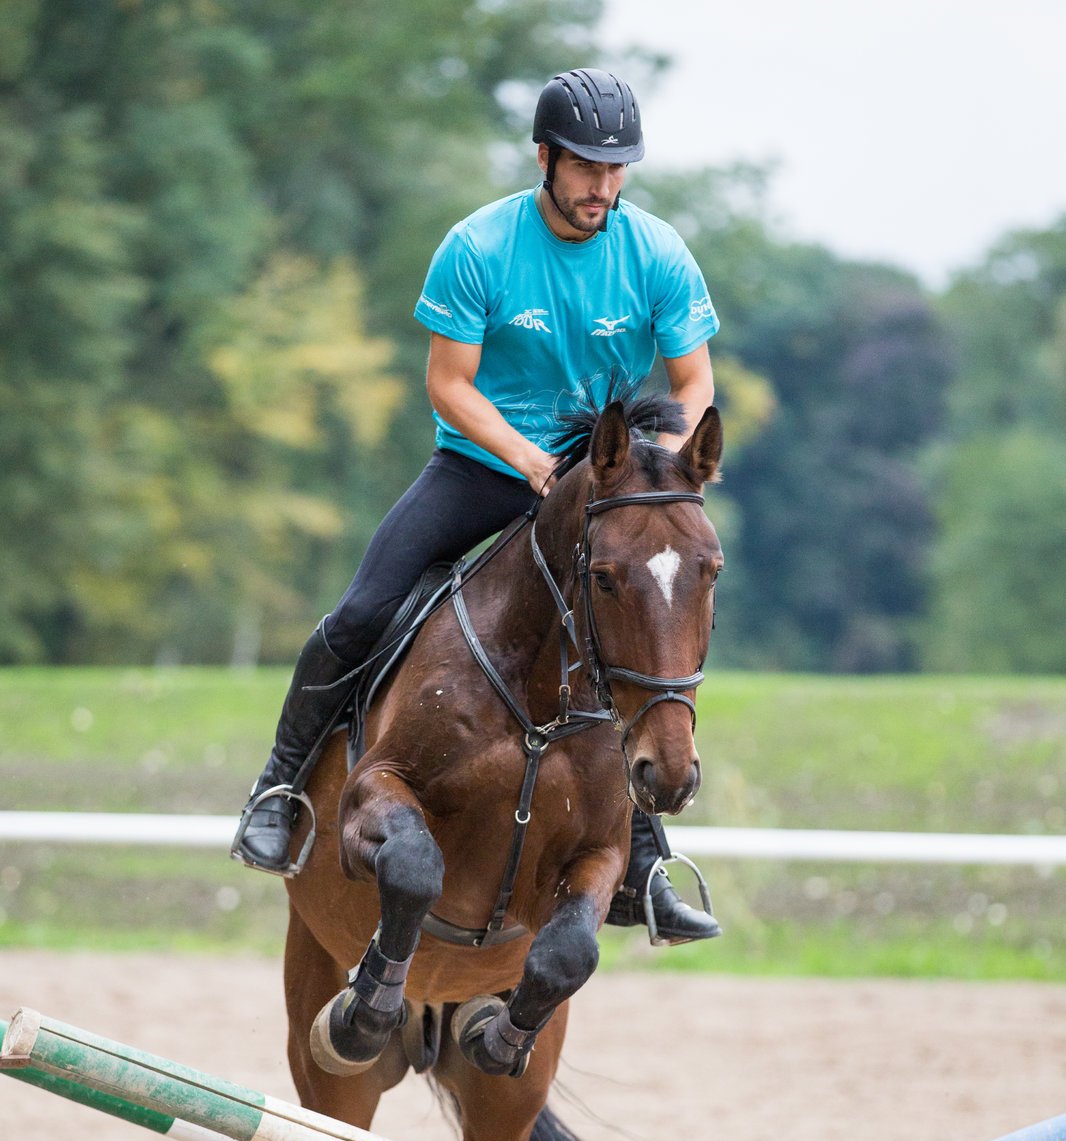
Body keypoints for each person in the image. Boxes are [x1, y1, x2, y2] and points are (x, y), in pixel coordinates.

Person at [232, 67, 721, 944]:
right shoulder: (479, 246)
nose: (601, 189)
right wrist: (532, 461)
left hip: (608, 486)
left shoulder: (657, 252)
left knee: (642, 628)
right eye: (584, 169)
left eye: (616, 172)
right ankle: (278, 791)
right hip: (487, 467)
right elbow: (448, 384)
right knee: (359, 613)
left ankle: (642, 868)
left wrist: (660, 476)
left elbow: (693, 378)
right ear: (544, 157)